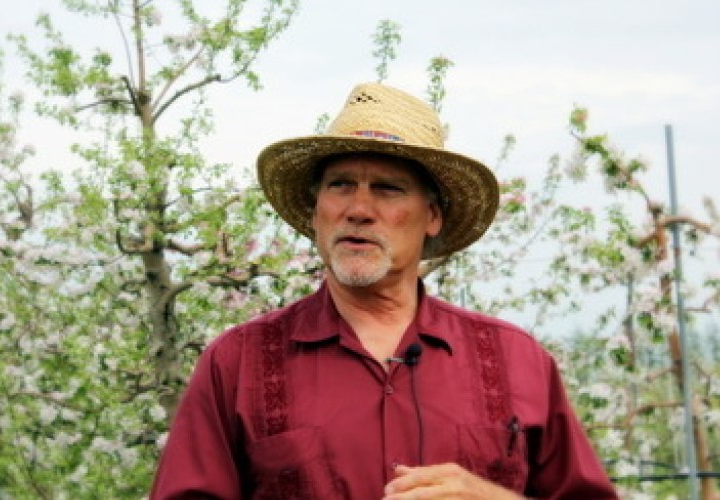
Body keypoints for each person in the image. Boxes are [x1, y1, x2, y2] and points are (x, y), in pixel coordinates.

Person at [149, 82, 618, 499]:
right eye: (340, 185)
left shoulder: (518, 361)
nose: (359, 209)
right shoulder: (238, 362)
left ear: (432, 217)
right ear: (316, 212)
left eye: (388, 189)